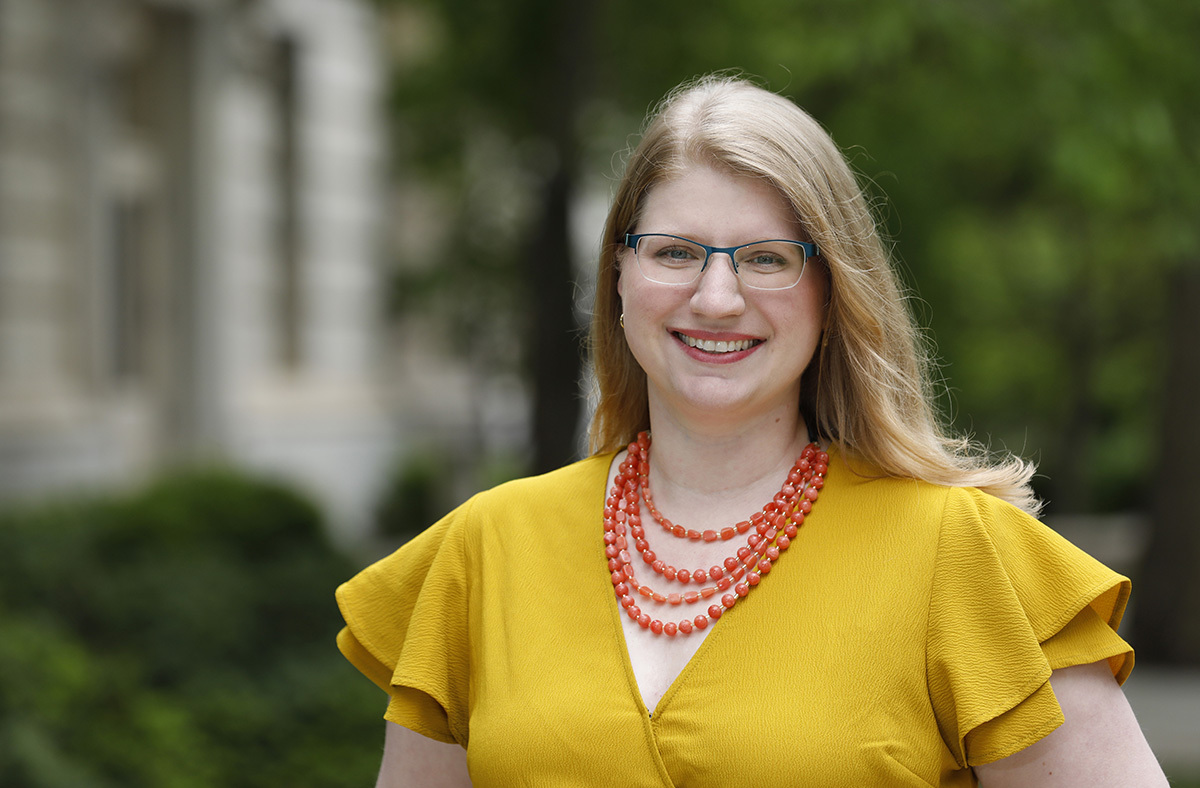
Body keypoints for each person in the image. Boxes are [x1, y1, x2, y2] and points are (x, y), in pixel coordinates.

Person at [335, 75, 1167, 787]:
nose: (717, 298)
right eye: (674, 252)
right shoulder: (487, 549)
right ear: (618, 277)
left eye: (768, 258)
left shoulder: (960, 556)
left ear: (833, 291)